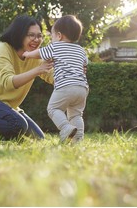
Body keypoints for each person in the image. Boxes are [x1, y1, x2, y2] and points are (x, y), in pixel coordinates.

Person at [23, 15, 89, 143]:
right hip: (82, 88)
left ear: (59, 36)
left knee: (53, 109)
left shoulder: (56, 47)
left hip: (65, 85)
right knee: (76, 115)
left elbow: (39, 53)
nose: (52, 39)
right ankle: (78, 139)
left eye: (52, 36)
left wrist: (27, 54)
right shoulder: (81, 50)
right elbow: (84, 66)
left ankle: (65, 128)